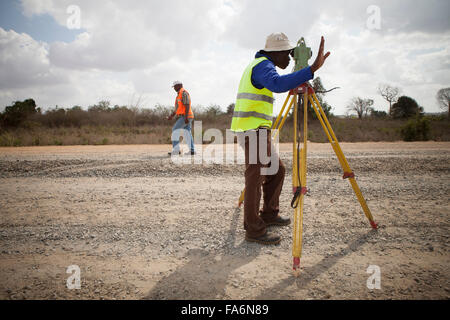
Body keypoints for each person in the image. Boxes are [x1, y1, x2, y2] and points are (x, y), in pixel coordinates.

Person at [230, 32, 330, 245]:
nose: (290, 59)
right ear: (277, 53)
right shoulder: (263, 66)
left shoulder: (262, 65)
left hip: (258, 130)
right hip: (252, 130)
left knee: (277, 170)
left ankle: (269, 214)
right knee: (255, 178)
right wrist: (310, 70)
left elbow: (276, 83)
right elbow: (277, 84)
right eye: (288, 54)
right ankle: (254, 230)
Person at [167, 81, 195, 156]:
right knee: (187, 133)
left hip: (185, 116)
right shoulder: (179, 95)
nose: (174, 88)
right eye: (174, 87)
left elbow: (187, 105)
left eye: (175, 86)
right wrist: (171, 116)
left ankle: (176, 150)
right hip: (186, 116)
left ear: (180, 85)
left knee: (175, 130)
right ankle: (192, 150)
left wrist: (186, 117)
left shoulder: (183, 93)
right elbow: (178, 108)